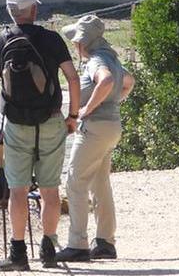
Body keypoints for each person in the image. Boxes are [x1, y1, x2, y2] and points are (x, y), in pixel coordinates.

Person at [0, 0, 80, 271]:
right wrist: (73, 116)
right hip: (51, 120)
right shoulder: (52, 39)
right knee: (50, 190)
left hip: (16, 124)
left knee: (17, 190)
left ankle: (18, 253)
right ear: (34, 10)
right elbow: (72, 78)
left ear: (10, 12)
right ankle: (48, 249)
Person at [53, 15, 134, 263]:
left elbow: (106, 80)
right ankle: (105, 241)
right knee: (100, 182)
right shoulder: (112, 58)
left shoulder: (96, 61)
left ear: (82, 41)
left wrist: (86, 110)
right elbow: (128, 82)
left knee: (75, 183)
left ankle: (77, 244)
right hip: (112, 126)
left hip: (94, 128)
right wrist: (113, 102)